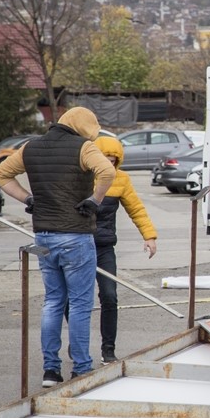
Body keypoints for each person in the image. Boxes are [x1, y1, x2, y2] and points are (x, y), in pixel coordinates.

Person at [0, 107, 115, 388]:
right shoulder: (84, 147)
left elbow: (0, 175)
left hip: (44, 237)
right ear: (82, 128)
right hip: (76, 236)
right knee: (81, 304)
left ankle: (50, 370)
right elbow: (107, 171)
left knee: (52, 302)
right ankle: (82, 367)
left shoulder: (30, 147)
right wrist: (95, 200)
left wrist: (27, 198)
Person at [87, 136, 158, 365]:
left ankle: (108, 350)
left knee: (109, 296)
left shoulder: (122, 179)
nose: (109, 163)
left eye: (114, 160)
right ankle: (77, 345)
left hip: (105, 247)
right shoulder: (81, 178)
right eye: (105, 159)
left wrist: (149, 236)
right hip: (79, 246)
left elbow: (136, 208)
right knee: (76, 299)